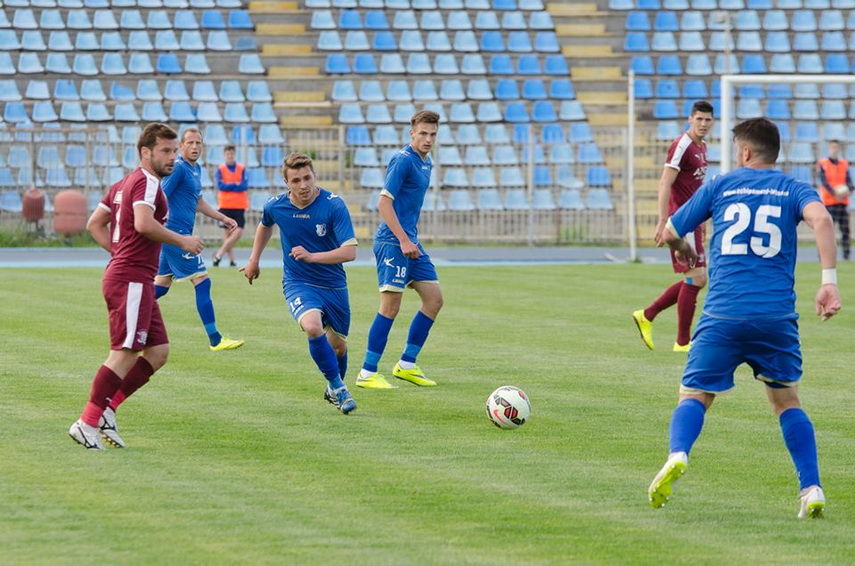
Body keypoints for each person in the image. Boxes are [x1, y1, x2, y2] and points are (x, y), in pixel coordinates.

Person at [647, 117, 841, 519]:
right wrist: (828, 283)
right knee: (787, 401)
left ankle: (678, 453)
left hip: (724, 313)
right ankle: (811, 488)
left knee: (695, 395)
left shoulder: (721, 185)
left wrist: (685, 250)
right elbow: (823, 220)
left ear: (745, 152)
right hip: (775, 317)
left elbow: (670, 231)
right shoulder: (793, 188)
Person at [69, 123, 205, 450]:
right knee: (125, 353)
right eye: (165, 151)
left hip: (133, 277)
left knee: (158, 351)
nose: (172, 157)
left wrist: (119, 254)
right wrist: (182, 240)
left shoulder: (123, 183)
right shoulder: (147, 182)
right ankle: (86, 422)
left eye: (173, 150)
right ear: (146, 152)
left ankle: (108, 409)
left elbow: (95, 224)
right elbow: (144, 224)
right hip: (130, 278)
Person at [240, 152, 358, 414]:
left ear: (315, 176)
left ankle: (333, 387)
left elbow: (350, 252)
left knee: (338, 347)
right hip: (298, 281)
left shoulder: (333, 205)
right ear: (286, 182)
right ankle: (339, 388)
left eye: (307, 178)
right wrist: (253, 260)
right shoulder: (276, 205)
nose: (303, 185)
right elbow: (265, 225)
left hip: (333, 284)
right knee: (313, 327)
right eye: (296, 180)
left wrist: (312, 256)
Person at [355, 109, 444, 390]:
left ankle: (406, 364)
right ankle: (367, 372)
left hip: (409, 242)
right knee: (390, 307)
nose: (428, 139)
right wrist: (404, 239)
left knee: (434, 300)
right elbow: (383, 203)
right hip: (393, 242)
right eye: (423, 133)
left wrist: (410, 239)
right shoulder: (403, 160)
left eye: (433, 134)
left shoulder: (426, 162)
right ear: (412, 133)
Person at [633, 101, 714, 353]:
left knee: (697, 278)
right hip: (681, 219)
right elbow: (665, 182)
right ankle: (682, 342)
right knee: (696, 277)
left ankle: (648, 315)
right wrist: (663, 220)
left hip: (693, 219)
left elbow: (696, 189)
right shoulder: (682, 145)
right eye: (699, 119)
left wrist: (703, 220)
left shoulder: (702, 147)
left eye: (707, 120)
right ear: (690, 119)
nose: (703, 124)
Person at [153, 128, 245, 352]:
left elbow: (198, 201)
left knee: (161, 286)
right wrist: (163, 227)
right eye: (190, 143)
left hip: (174, 235)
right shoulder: (178, 169)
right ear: (181, 146)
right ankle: (215, 339)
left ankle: (127, 309)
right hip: (177, 235)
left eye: (198, 143)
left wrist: (223, 218)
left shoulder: (196, 169)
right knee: (203, 281)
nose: (195, 147)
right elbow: (160, 196)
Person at [816, 139, 853, 260]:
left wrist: (848, 190)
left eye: (836, 147)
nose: (834, 150)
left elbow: (850, 182)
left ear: (839, 149)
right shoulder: (823, 164)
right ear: (829, 149)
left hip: (842, 202)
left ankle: (846, 256)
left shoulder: (844, 164)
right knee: (827, 231)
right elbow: (824, 182)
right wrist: (834, 193)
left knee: (845, 231)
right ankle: (823, 256)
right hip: (829, 203)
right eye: (832, 147)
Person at [213, 144, 248, 267]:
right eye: (227, 154)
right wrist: (235, 184)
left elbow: (244, 186)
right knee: (228, 235)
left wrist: (229, 185)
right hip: (225, 205)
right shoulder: (221, 169)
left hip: (239, 205)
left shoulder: (241, 168)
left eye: (231, 153)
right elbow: (221, 186)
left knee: (238, 232)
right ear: (224, 155)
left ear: (234, 154)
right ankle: (232, 260)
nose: (230, 156)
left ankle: (218, 254)